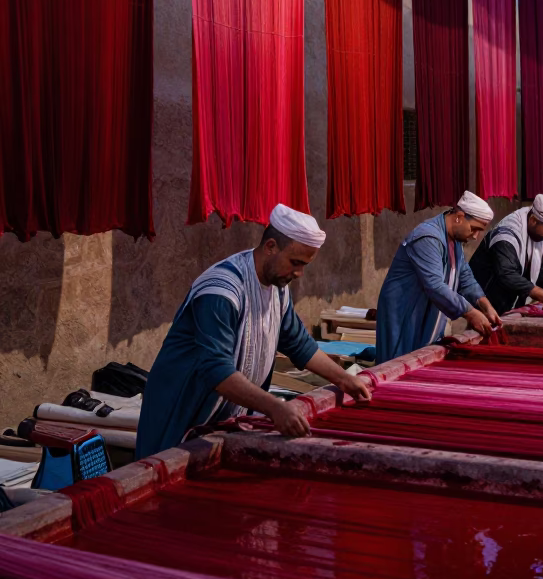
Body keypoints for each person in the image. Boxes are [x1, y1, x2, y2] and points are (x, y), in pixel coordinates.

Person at [136, 204, 371, 458]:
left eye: (304, 266)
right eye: (295, 262)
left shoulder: (278, 289)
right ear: (271, 247)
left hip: (223, 420)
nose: (299, 273)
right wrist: (275, 408)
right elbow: (216, 370)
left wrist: (345, 380)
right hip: (181, 412)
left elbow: (299, 344)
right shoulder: (221, 292)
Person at [375, 192, 501, 362]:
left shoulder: (454, 242)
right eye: (474, 229)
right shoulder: (428, 238)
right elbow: (435, 285)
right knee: (398, 363)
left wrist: (484, 305)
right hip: (405, 311)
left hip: (424, 310)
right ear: (459, 217)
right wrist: (470, 313)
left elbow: (465, 276)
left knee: (422, 359)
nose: (475, 236)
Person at [469, 195, 543, 315]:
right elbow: (507, 273)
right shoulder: (506, 236)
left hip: (507, 301)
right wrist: (541, 294)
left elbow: (541, 263)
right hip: (488, 300)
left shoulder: (535, 230)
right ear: (533, 220)